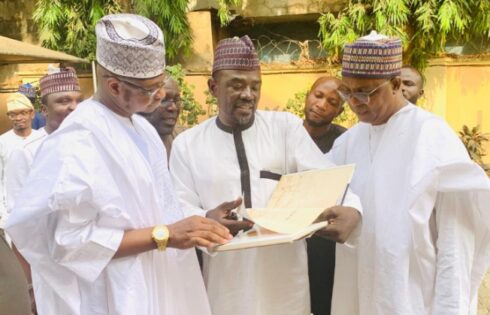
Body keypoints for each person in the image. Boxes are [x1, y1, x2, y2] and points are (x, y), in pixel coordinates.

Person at [6, 13, 231, 315]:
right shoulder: (76, 142)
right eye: (150, 89)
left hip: (158, 282)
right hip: (112, 295)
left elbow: (154, 206)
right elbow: (70, 243)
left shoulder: (143, 129)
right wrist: (164, 236)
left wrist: (200, 220)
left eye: (160, 84)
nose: (160, 96)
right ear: (114, 87)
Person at [170, 35, 362, 315]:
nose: (248, 94)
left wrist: (353, 210)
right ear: (213, 87)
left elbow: (326, 179)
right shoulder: (187, 144)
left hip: (285, 281)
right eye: (236, 85)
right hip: (226, 283)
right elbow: (177, 204)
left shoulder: (285, 128)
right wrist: (206, 219)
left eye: (254, 86)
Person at [329, 31, 490, 314]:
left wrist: (450, 308)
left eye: (365, 92)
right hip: (358, 290)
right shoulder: (348, 142)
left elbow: (455, 242)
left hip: (411, 297)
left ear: (395, 84)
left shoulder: (431, 137)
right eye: (348, 92)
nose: (355, 102)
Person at [6, 68, 83, 314]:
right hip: (52, 273)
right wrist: (31, 286)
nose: (73, 107)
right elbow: (20, 226)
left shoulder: (90, 148)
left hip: (96, 265)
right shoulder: (28, 153)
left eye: (77, 100)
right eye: (63, 101)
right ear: (43, 109)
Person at [302, 76, 347, 315]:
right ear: (308, 95)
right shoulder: (288, 135)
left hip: (324, 241)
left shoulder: (345, 142)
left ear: (339, 111)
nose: (321, 105)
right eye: (318, 96)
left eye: (332, 102)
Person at [0, 94, 43, 229]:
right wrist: (2, 211)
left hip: (41, 209)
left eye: (23, 113)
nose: (18, 118)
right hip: (13, 211)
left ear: (32, 113)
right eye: (13, 114)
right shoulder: (3, 142)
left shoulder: (44, 139)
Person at [138, 76, 182, 159]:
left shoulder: (185, 139)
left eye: (177, 100)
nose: (173, 107)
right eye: (163, 100)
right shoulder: (127, 142)